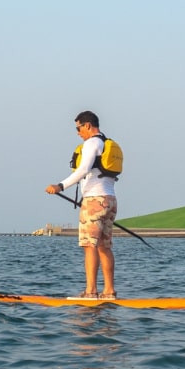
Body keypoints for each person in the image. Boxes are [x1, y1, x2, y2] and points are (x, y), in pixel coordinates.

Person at [45, 111, 118, 300]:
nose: (78, 132)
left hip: (94, 201)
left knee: (89, 245)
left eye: (78, 128)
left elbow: (83, 169)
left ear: (87, 125)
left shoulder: (91, 143)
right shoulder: (105, 142)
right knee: (104, 247)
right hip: (110, 200)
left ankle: (91, 291)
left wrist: (60, 186)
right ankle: (109, 291)